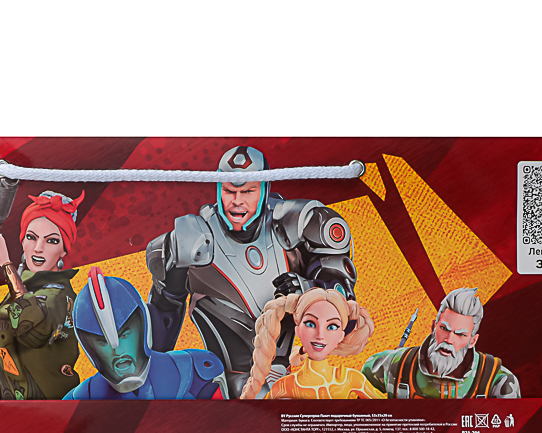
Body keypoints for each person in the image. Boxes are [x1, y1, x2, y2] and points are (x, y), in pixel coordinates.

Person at [145, 144, 361, 398]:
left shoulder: (299, 225)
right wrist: (151, 376)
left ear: (264, 189)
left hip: (286, 377)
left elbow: (345, 308)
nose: (237, 201)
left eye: (247, 191)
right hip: (222, 383)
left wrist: (308, 291)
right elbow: (164, 312)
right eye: (229, 191)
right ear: (218, 189)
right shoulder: (189, 240)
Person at [0, 190, 83, 400]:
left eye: (51, 241)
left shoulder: (59, 295)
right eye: (31, 237)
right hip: (9, 403)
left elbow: (31, 326)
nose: (38, 248)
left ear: (64, 250)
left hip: (44, 404)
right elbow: (14, 322)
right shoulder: (27, 283)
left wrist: (5, 264)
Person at [64, 267, 224, 400]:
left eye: (125, 335)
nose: (117, 351)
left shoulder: (196, 373)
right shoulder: (79, 400)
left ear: (144, 327)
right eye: (102, 342)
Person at [362, 287, 520, 399]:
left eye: (460, 334)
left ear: (472, 341)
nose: (449, 340)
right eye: (444, 329)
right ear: (433, 327)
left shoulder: (498, 382)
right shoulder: (391, 365)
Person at [240, 289, 378, 400]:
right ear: (298, 330)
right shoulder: (285, 386)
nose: (320, 335)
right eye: (311, 324)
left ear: (341, 336)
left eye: (331, 326)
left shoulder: (351, 378)